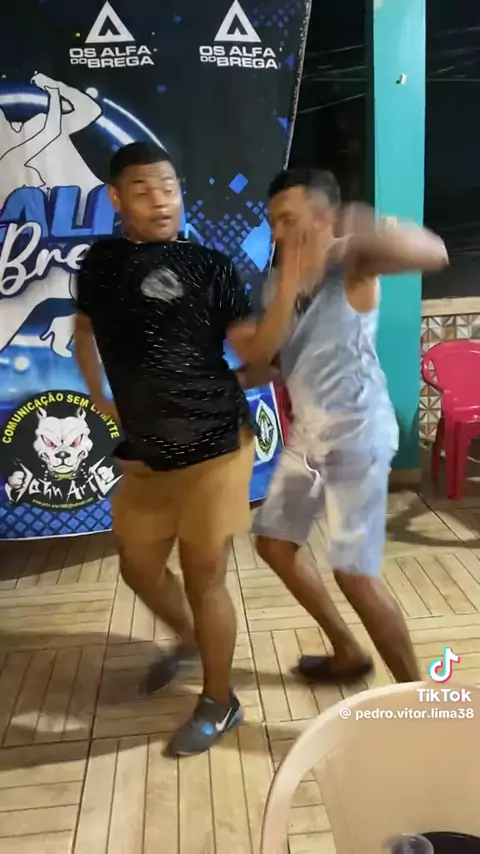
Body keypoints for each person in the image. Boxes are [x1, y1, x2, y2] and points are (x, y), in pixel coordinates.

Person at [73, 142, 307, 755]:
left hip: (215, 446)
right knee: (137, 567)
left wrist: (286, 288)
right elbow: (83, 329)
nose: (161, 200)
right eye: (143, 189)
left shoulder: (210, 266)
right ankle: (188, 640)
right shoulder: (99, 264)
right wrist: (97, 394)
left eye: (170, 187)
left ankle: (220, 700)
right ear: (116, 198)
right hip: (146, 455)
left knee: (205, 577)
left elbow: (254, 348)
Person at [230, 168, 448, 685]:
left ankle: (418, 699)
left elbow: (434, 253)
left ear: (323, 216)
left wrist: (365, 223)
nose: (277, 232)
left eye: (288, 219)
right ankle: (348, 652)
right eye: (272, 221)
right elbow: (276, 363)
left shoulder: (350, 258)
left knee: (353, 572)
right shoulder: (278, 283)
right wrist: (218, 377)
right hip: (310, 435)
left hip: (358, 432)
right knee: (275, 545)